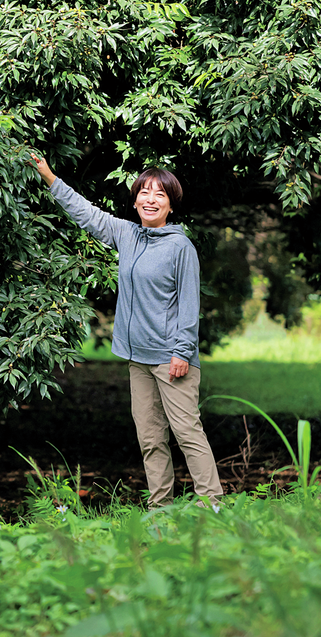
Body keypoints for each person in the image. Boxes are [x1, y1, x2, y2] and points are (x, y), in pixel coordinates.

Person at [29, 154, 222, 508]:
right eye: (144, 193)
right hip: (138, 359)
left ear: (171, 205)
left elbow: (189, 304)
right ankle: (160, 508)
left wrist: (182, 351)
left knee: (187, 432)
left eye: (160, 194)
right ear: (135, 201)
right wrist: (48, 175)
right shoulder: (127, 235)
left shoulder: (180, 246)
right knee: (150, 438)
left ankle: (211, 504)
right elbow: (86, 214)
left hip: (171, 358)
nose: (150, 199)